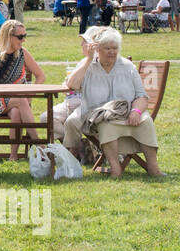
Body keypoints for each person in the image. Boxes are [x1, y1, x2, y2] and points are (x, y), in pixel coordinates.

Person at [63, 27, 163, 178]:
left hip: (125, 110)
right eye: (107, 48)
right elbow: (72, 86)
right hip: (95, 112)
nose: (112, 52)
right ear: (97, 49)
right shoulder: (88, 64)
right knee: (101, 123)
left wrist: (136, 112)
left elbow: (142, 96)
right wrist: (89, 59)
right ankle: (114, 168)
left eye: (115, 48)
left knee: (146, 120)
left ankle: (154, 168)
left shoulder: (127, 67)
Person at [0, 20, 44, 160]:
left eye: (24, 36)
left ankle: (13, 156)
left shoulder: (22, 53)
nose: (23, 40)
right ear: (8, 36)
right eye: (20, 37)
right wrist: (17, 98)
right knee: (20, 100)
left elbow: (40, 76)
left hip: (16, 102)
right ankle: (39, 144)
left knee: (16, 112)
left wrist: (30, 96)